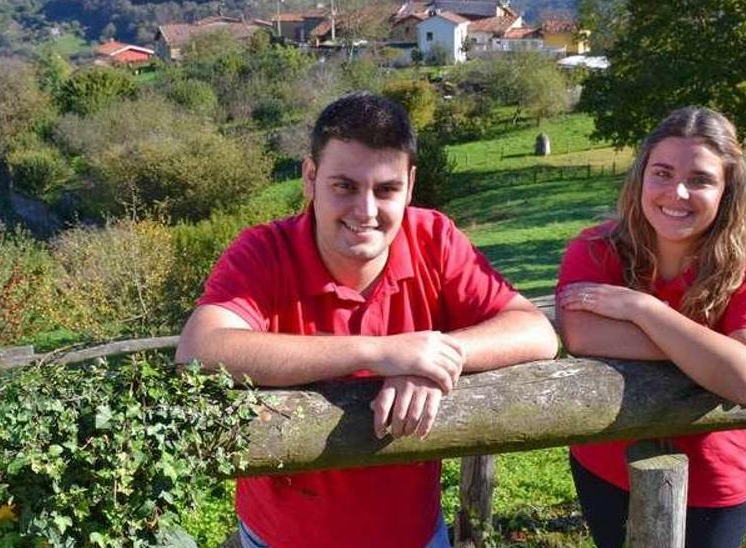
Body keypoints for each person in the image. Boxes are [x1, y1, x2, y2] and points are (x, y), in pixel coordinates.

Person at [176, 92, 558, 548]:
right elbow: (200, 349)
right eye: (345, 186)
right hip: (280, 538)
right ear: (310, 178)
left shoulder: (433, 237)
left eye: (386, 189)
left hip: (413, 536)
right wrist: (381, 353)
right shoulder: (264, 250)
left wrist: (432, 358)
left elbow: (536, 330)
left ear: (410, 186)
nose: (367, 211)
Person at [554, 107, 746, 548]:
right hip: (606, 463)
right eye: (662, 173)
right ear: (641, 176)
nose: (677, 192)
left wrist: (644, 309)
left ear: (727, 189)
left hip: (715, 482)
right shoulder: (596, 248)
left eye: (700, 179)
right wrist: (711, 351)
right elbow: (581, 334)